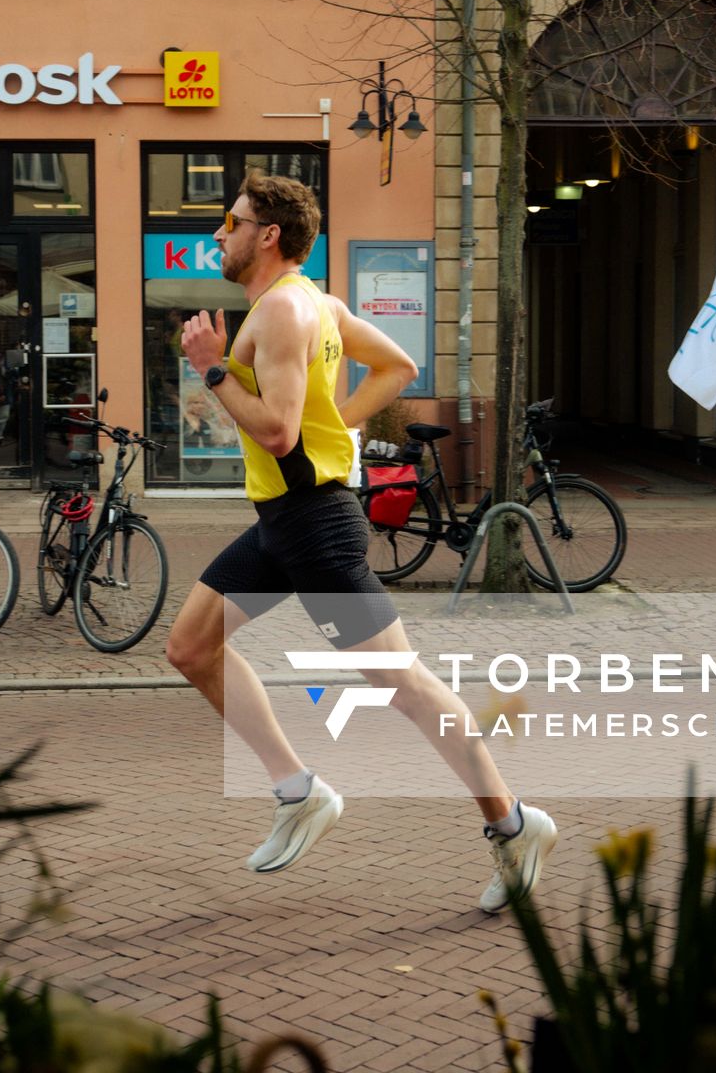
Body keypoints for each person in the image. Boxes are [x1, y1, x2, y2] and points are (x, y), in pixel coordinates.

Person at [166, 173, 559, 913]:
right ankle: (299, 792)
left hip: (314, 527)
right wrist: (340, 424)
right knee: (191, 647)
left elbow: (278, 432)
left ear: (268, 234)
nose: (219, 234)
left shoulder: (283, 309)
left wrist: (211, 369)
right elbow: (397, 368)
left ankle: (514, 824)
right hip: (283, 523)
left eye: (232, 221)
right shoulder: (317, 303)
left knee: (404, 687)